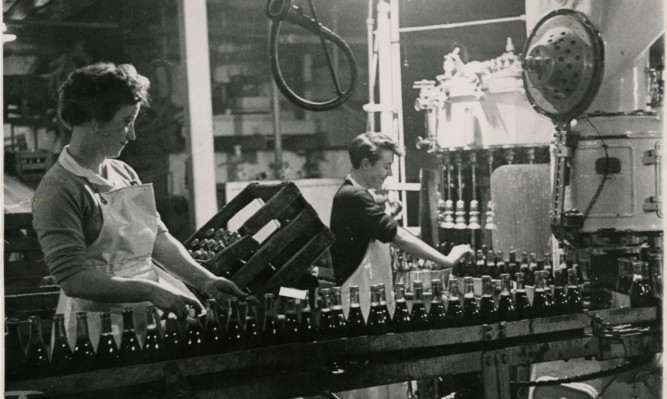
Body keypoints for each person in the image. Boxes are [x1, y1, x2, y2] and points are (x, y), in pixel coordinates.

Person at [32, 63, 244, 345]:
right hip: (100, 331)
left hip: (153, 316)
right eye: (125, 121)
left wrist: (204, 280)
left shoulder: (123, 173)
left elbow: (157, 238)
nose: (131, 134)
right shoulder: (58, 190)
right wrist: (151, 291)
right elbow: (74, 280)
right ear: (94, 120)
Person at [330, 132, 472, 317]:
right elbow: (398, 236)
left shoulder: (357, 195)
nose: (390, 173)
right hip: (359, 306)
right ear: (365, 163)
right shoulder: (354, 196)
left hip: (368, 302)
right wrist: (447, 260)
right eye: (386, 166)